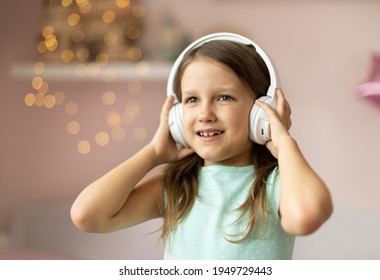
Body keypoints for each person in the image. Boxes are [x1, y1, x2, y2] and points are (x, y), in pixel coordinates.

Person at [71, 33, 333, 260]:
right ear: (175, 114)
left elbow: (306, 217)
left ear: (261, 112)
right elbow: (87, 215)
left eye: (224, 97)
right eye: (192, 99)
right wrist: (153, 154)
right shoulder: (176, 187)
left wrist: (285, 143)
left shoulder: (275, 184)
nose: (205, 114)